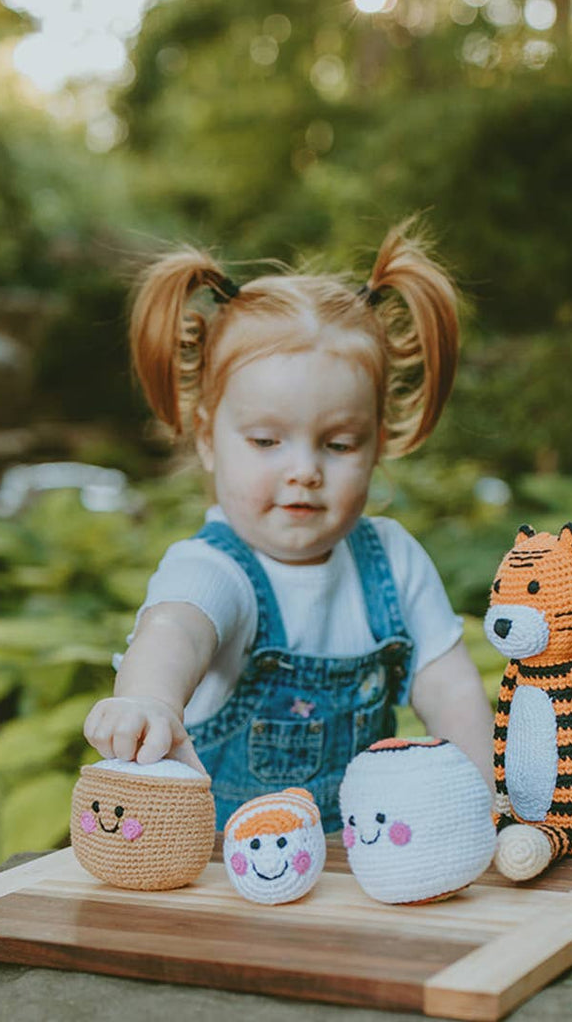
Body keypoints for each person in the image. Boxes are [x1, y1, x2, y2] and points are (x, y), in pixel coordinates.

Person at [83, 222, 494, 831]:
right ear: (208, 441)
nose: (304, 471)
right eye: (267, 440)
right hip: (226, 876)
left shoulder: (393, 560)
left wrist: (482, 796)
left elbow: (451, 690)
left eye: (338, 443)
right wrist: (148, 700)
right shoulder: (217, 568)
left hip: (363, 870)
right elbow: (176, 630)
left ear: (377, 444)